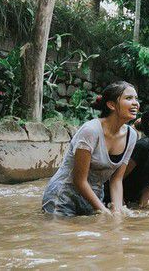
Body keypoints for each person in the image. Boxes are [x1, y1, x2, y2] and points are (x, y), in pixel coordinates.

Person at [42, 81, 139, 216]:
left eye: (136, 98)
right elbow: (79, 180)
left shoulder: (132, 135)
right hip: (62, 196)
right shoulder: (90, 131)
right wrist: (104, 210)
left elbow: (116, 179)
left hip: (94, 196)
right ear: (111, 105)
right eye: (129, 98)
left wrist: (116, 211)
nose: (136, 103)